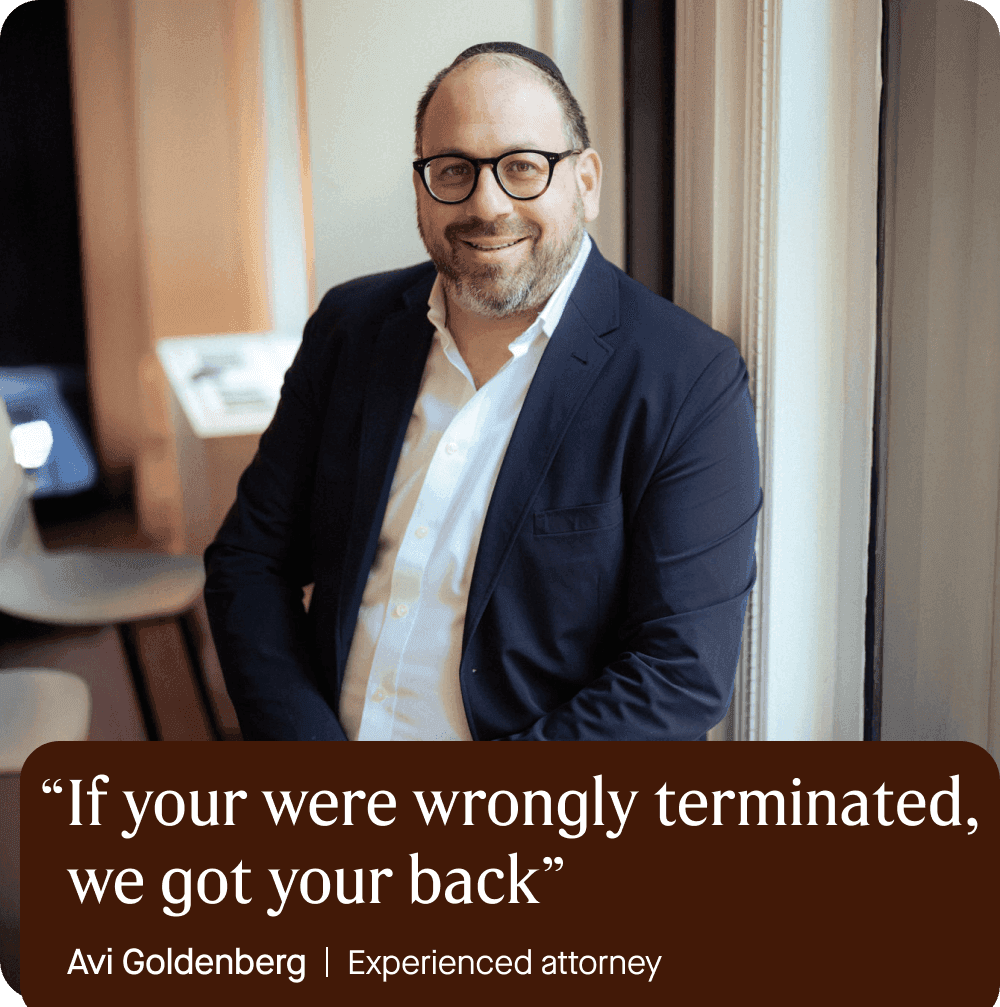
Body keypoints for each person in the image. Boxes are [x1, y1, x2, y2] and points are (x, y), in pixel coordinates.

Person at [204, 41, 761, 742]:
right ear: (421, 187)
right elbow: (249, 560)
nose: (486, 203)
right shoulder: (350, 329)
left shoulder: (686, 379)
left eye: (524, 167)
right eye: (454, 170)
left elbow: (678, 674)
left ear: (586, 182)